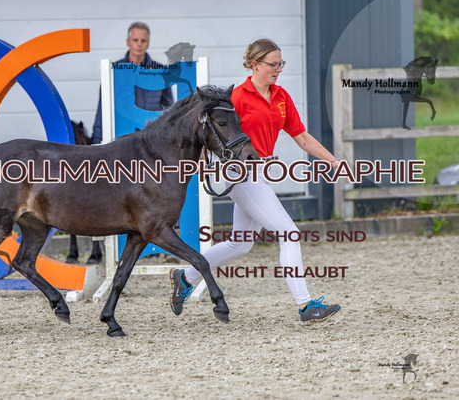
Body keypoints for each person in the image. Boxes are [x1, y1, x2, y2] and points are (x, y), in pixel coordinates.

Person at [170, 38, 341, 325]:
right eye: (273, 64)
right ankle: (305, 306)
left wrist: (332, 160)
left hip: (262, 173)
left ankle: (185, 278)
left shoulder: (282, 97)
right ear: (255, 65)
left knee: (240, 244)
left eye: (281, 64)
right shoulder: (236, 97)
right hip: (241, 174)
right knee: (290, 234)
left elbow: (301, 137)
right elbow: (208, 129)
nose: (278, 69)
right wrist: (201, 158)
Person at [91, 21, 173, 144]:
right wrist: (96, 143)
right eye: (135, 40)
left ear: (148, 43)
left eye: (143, 40)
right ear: (128, 42)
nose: (139, 44)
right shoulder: (113, 71)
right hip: (121, 140)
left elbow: (169, 110)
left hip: (152, 140)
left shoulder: (160, 71)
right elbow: (102, 111)